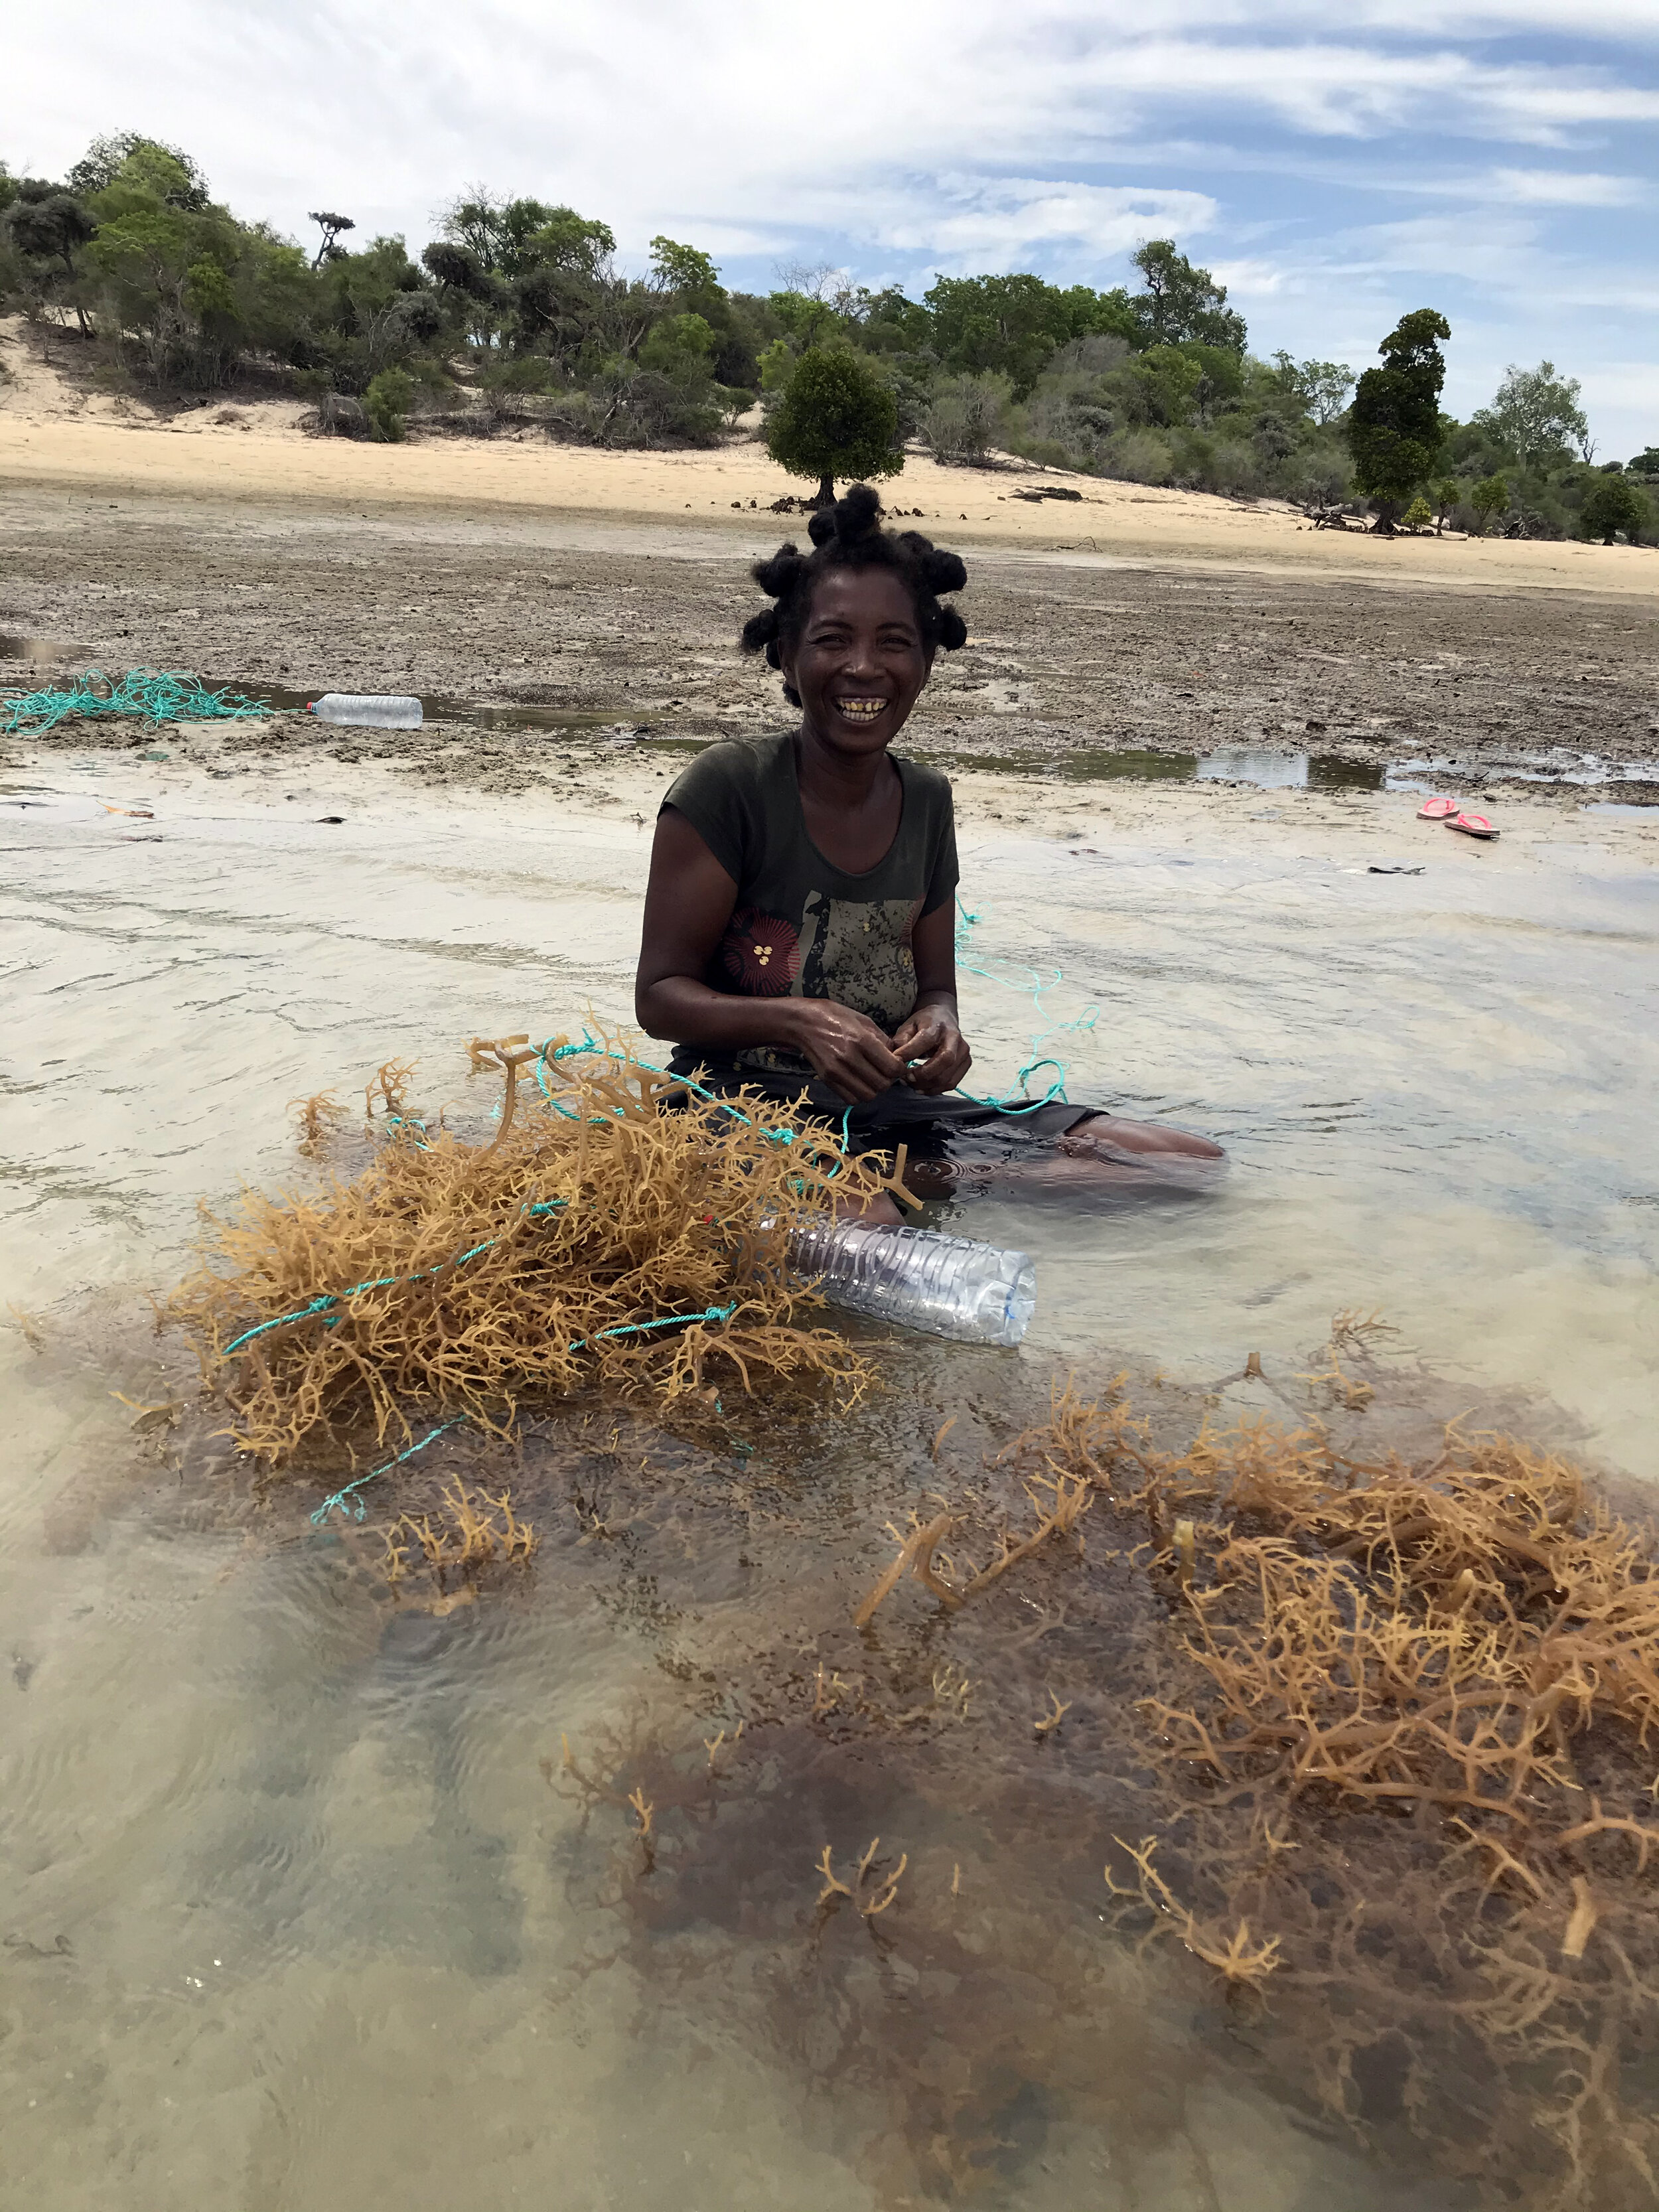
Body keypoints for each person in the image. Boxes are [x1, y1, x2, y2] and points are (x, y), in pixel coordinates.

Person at [634, 484, 1222, 1220]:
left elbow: (935, 991)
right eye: (832, 640)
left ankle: (916, 1191)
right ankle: (886, 1203)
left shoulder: (927, 799)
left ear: (927, 662)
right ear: (785, 657)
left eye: (893, 642)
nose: (863, 667)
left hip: (893, 1111)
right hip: (736, 1108)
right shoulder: (729, 787)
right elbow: (658, 1000)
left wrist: (941, 1028)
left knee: (1179, 1164)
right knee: (871, 1217)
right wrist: (799, 1021)